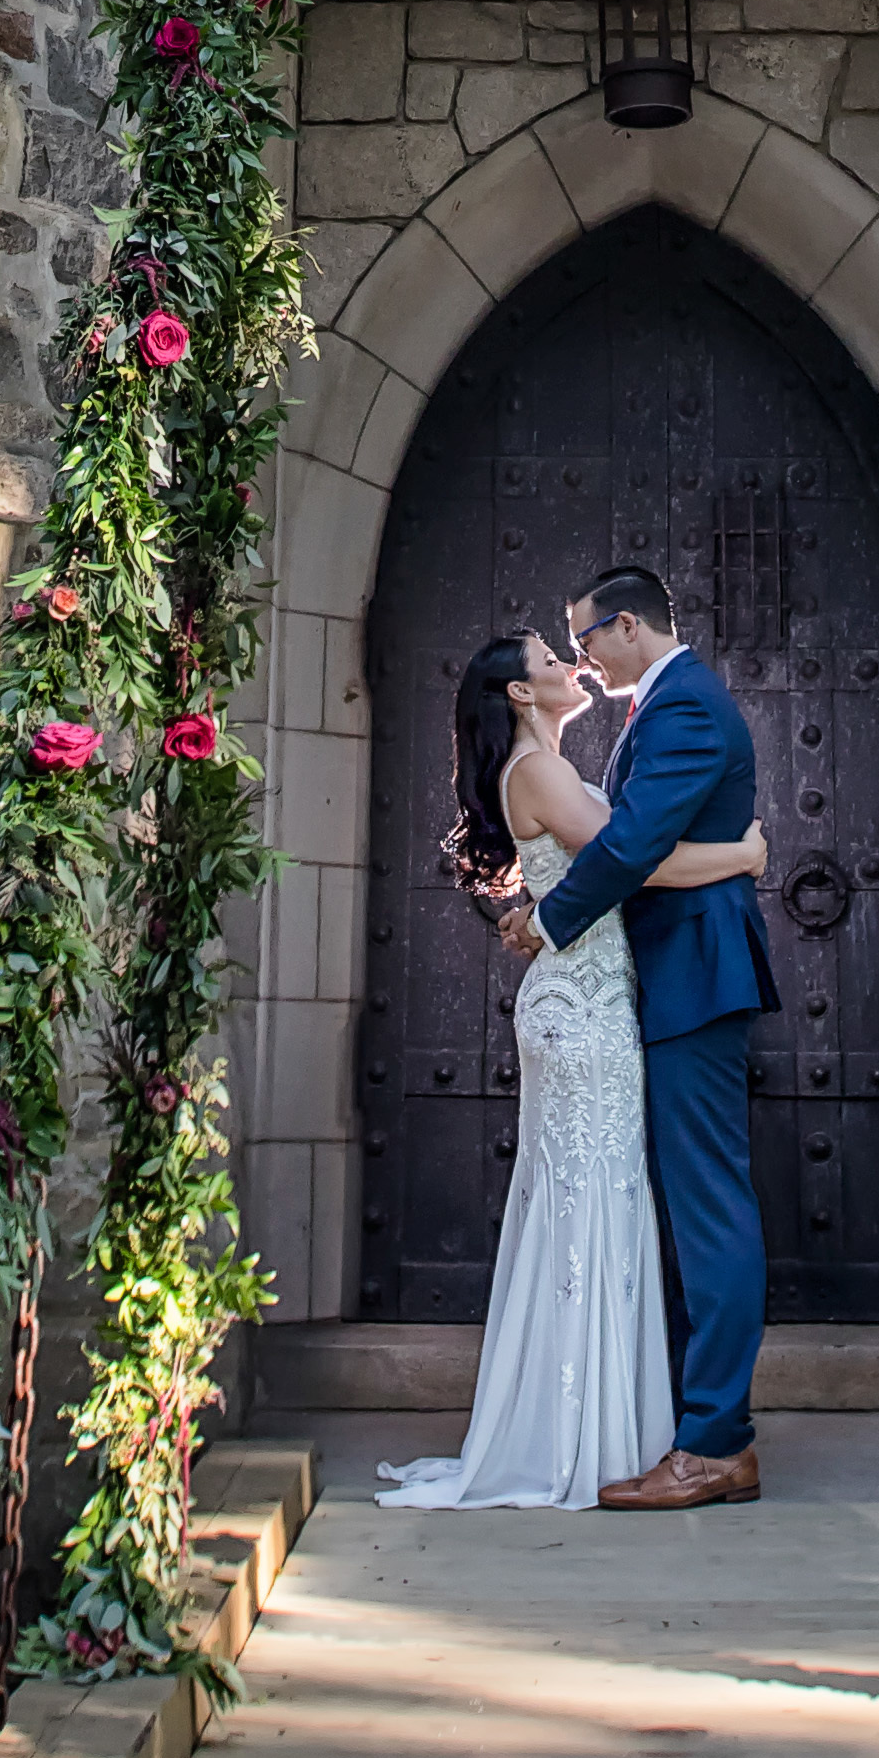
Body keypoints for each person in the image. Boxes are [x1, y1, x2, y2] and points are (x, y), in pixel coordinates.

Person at [376, 623, 769, 1512]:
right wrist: (744, 856)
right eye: (552, 660)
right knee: (591, 1200)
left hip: (589, 1001)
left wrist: (544, 913)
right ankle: (578, 1433)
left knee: (597, 1199)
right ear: (520, 693)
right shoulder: (542, 771)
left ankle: (599, 1423)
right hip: (580, 1014)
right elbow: (633, 862)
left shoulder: (545, 766)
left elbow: (598, 865)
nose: (570, 664)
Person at [533, 559, 779, 1513]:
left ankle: (716, 1445)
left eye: (586, 637)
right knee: (695, 1200)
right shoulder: (664, 704)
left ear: (628, 626)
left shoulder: (681, 710)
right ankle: (701, 1428)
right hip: (677, 977)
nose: (581, 660)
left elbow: (632, 843)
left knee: (709, 1204)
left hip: (696, 982)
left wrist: (551, 920)